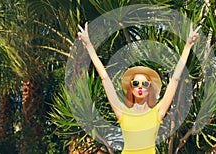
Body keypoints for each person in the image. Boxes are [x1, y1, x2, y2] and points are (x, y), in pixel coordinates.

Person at [78, 22, 199, 154]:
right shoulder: (122, 112)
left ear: (150, 89)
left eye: (145, 84)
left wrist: (187, 46)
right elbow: (105, 79)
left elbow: (175, 79)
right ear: (131, 88)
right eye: (135, 84)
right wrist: (89, 46)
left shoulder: (157, 112)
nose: (140, 87)